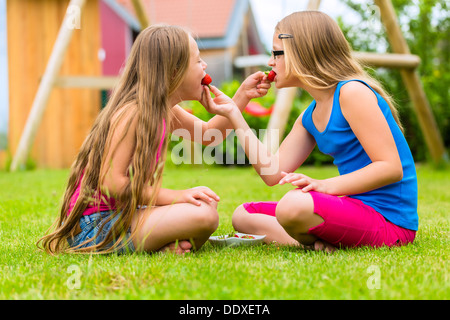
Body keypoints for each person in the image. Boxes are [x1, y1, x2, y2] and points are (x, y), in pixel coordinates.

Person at [37, 24, 271, 255]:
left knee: (206, 209)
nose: (205, 66)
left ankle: (160, 245)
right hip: (96, 226)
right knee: (203, 214)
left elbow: (210, 135)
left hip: (125, 213)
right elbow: (112, 183)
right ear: (173, 72)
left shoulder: (165, 110)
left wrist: (241, 96)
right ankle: (149, 244)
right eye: (198, 61)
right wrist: (176, 196)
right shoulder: (133, 113)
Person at [201, 11, 418, 252]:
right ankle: (317, 243)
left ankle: (319, 238)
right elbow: (272, 174)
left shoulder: (352, 93)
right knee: (244, 215)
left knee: (293, 204)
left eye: (276, 53)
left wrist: (323, 186)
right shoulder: (310, 116)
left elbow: (391, 168)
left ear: (302, 53)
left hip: (388, 222)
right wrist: (234, 114)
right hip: (350, 209)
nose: (270, 62)